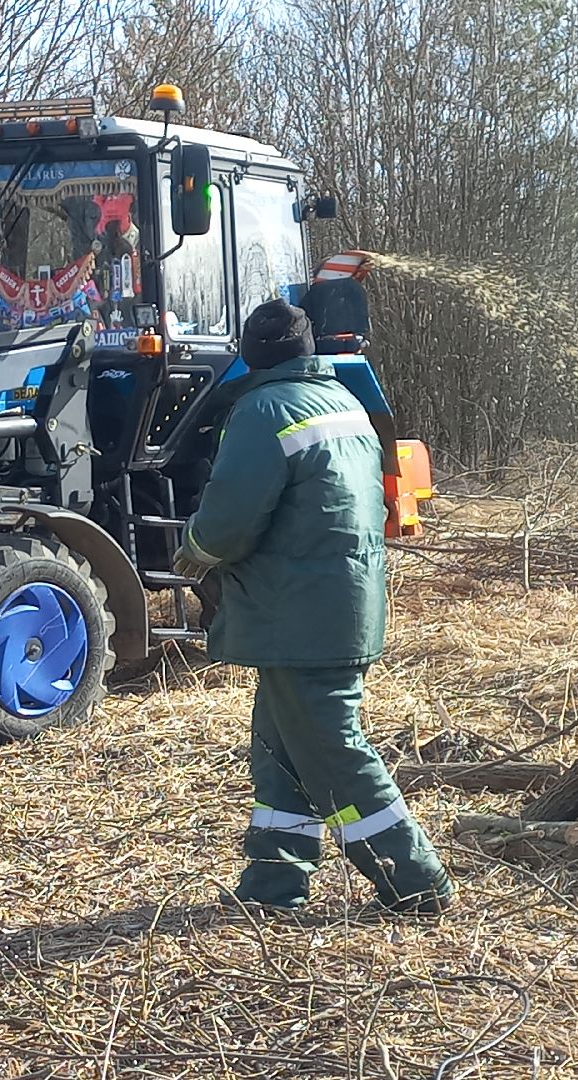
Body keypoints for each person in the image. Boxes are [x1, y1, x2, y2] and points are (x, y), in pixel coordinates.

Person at [174, 298, 453, 916]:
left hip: (298, 615)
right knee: (280, 751)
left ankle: (415, 879)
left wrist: (193, 549)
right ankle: (274, 884)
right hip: (338, 606)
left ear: (250, 355)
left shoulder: (262, 410)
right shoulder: (344, 401)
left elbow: (227, 524)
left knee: (333, 752)